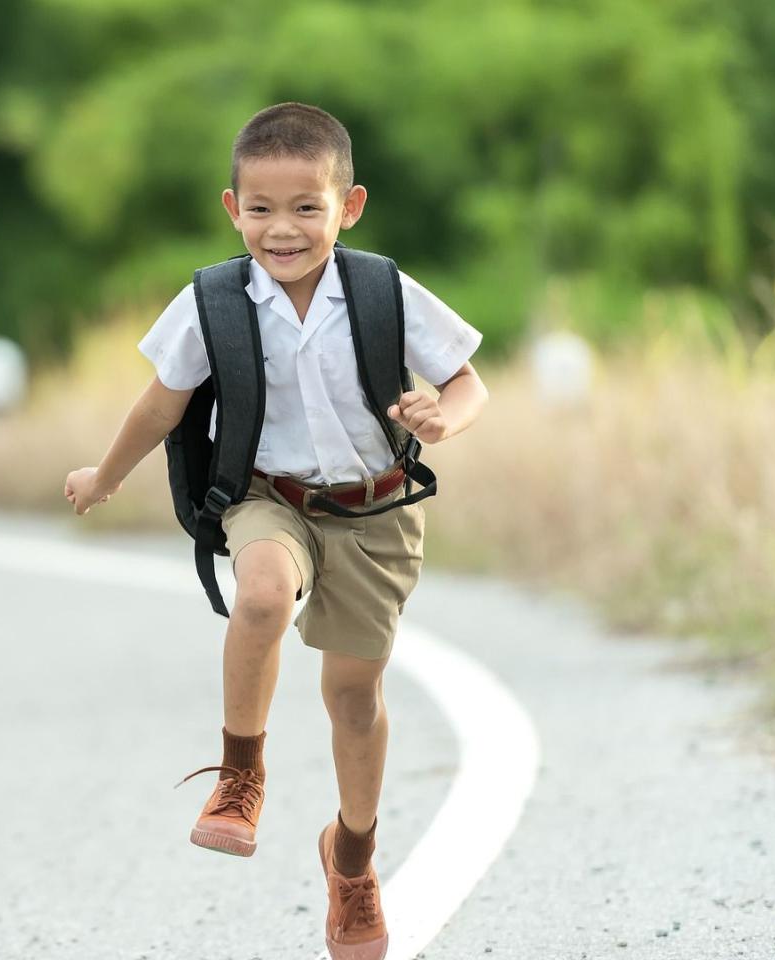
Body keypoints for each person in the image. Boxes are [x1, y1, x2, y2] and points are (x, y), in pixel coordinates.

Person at [62, 102, 489, 960]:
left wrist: (445, 416)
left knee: (352, 698)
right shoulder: (213, 301)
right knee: (260, 594)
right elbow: (164, 400)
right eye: (261, 209)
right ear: (232, 209)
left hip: (375, 510)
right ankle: (240, 777)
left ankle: (353, 859)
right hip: (269, 498)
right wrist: (105, 475)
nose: (282, 229)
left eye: (306, 207)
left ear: (349, 205)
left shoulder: (381, 291)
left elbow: (467, 380)